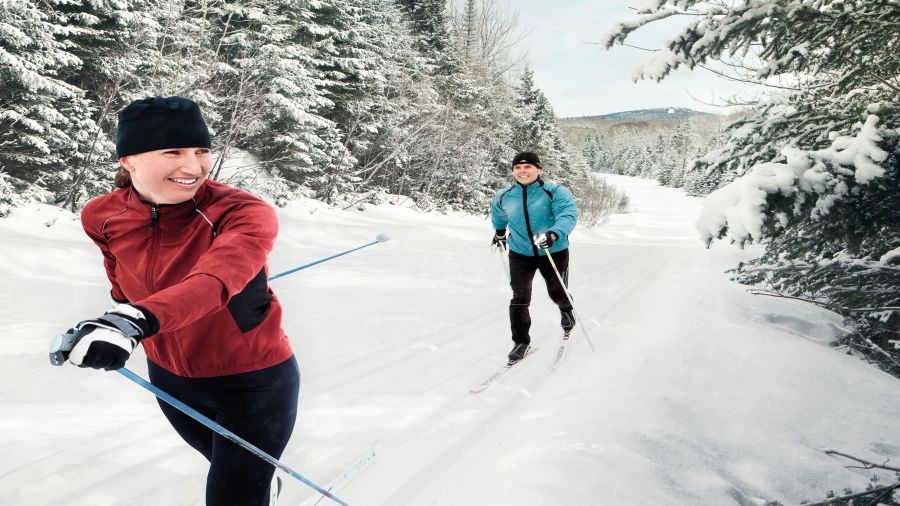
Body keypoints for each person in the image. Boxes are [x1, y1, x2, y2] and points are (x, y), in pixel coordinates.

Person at [57, 96, 298, 506]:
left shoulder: (241, 212)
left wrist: (136, 320)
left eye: (201, 151)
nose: (194, 166)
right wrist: (110, 322)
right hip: (169, 375)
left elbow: (215, 279)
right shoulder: (101, 215)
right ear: (129, 159)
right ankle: (258, 483)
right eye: (173, 152)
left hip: (252, 381)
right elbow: (122, 284)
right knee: (228, 468)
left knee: (232, 494)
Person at [490, 151, 578, 362]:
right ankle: (521, 341)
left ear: (539, 170)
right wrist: (500, 233)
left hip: (552, 250)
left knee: (556, 290)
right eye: (518, 168)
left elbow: (568, 215)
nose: (522, 171)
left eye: (527, 167)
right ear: (513, 171)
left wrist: (554, 233)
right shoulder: (504, 195)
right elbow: (498, 214)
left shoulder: (554, 192)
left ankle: (566, 309)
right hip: (520, 253)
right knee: (520, 297)